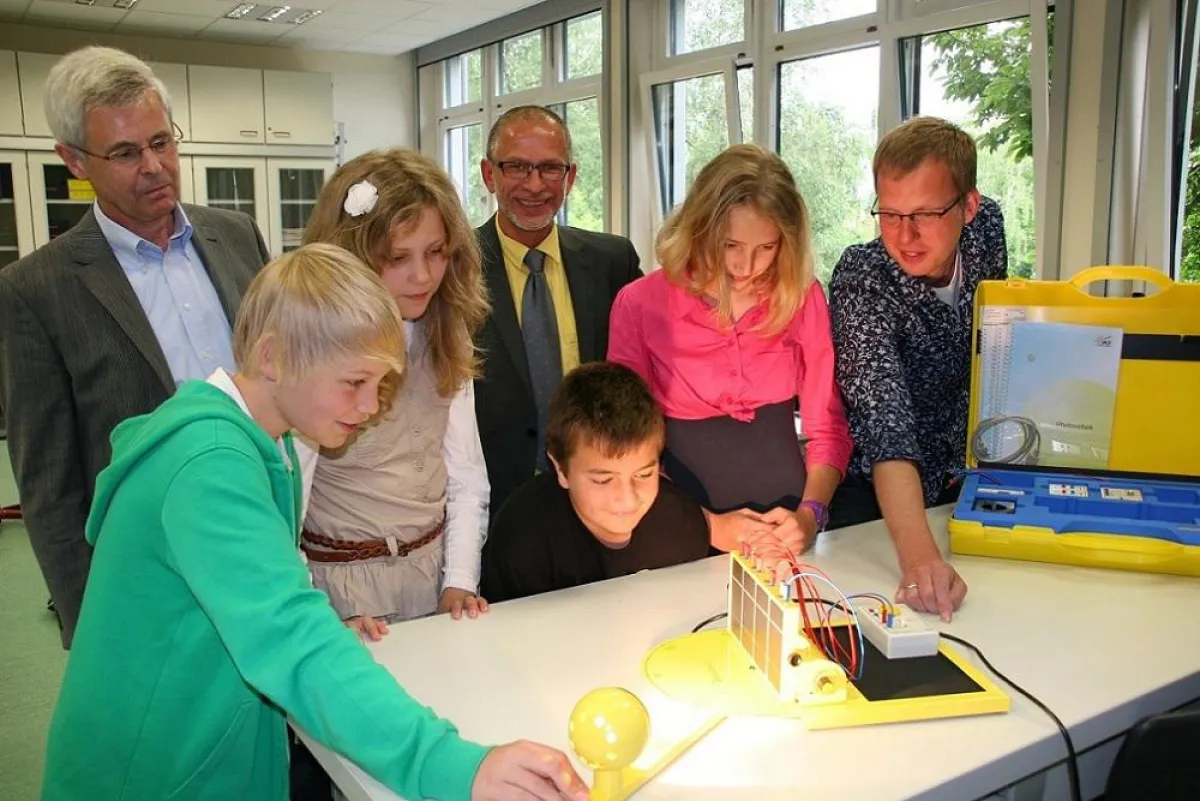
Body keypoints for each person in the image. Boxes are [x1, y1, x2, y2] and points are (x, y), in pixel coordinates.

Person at [41, 243, 587, 801]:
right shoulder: (209, 465)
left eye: (380, 385)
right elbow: (289, 640)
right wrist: (452, 767)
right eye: (354, 383)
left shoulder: (264, 445)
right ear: (274, 358)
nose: (371, 405)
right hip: (149, 773)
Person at [0, 46, 268, 647]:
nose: (153, 166)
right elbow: (47, 482)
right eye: (124, 152)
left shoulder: (237, 235)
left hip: (263, 535)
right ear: (73, 159)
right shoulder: (35, 289)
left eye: (161, 141)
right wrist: (90, 621)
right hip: (149, 569)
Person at [608, 144, 852, 559]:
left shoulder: (802, 297)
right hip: (676, 523)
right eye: (731, 246)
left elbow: (827, 429)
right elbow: (625, 445)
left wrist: (810, 514)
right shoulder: (639, 304)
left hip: (784, 528)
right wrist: (708, 525)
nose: (746, 266)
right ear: (700, 228)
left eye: (766, 248)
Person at [300, 149, 491, 637]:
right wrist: (315, 614)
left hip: (432, 577)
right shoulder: (316, 351)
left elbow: (466, 475)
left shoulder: (446, 333)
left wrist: (460, 578)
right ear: (354, 257)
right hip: (342, 594)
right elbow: (284, 507)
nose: (423, 276)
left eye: (436, 252)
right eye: (398, 259)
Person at [829, 116, 1008, 622]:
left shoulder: (987, 230)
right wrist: (920, 561)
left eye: (925, 214)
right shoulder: (862, 278)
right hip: (878, 496)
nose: (905, 236)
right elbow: (885, 424)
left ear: (968, 207)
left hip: (962, 479)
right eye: (889, 214)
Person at [474, 105, 642, 519]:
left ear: (570, 176)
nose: (535, 185)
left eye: (550, 169)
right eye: (516, 167)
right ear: (488, 173)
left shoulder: (612, 262)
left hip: (599, 497)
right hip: (492, 503)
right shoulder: (454, 268)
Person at [481, 362, 711, 603]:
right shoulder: (521, 540)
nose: (627, 498)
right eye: (603, 480)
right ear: (560, 468)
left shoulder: (681, 524)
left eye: (643, 475)